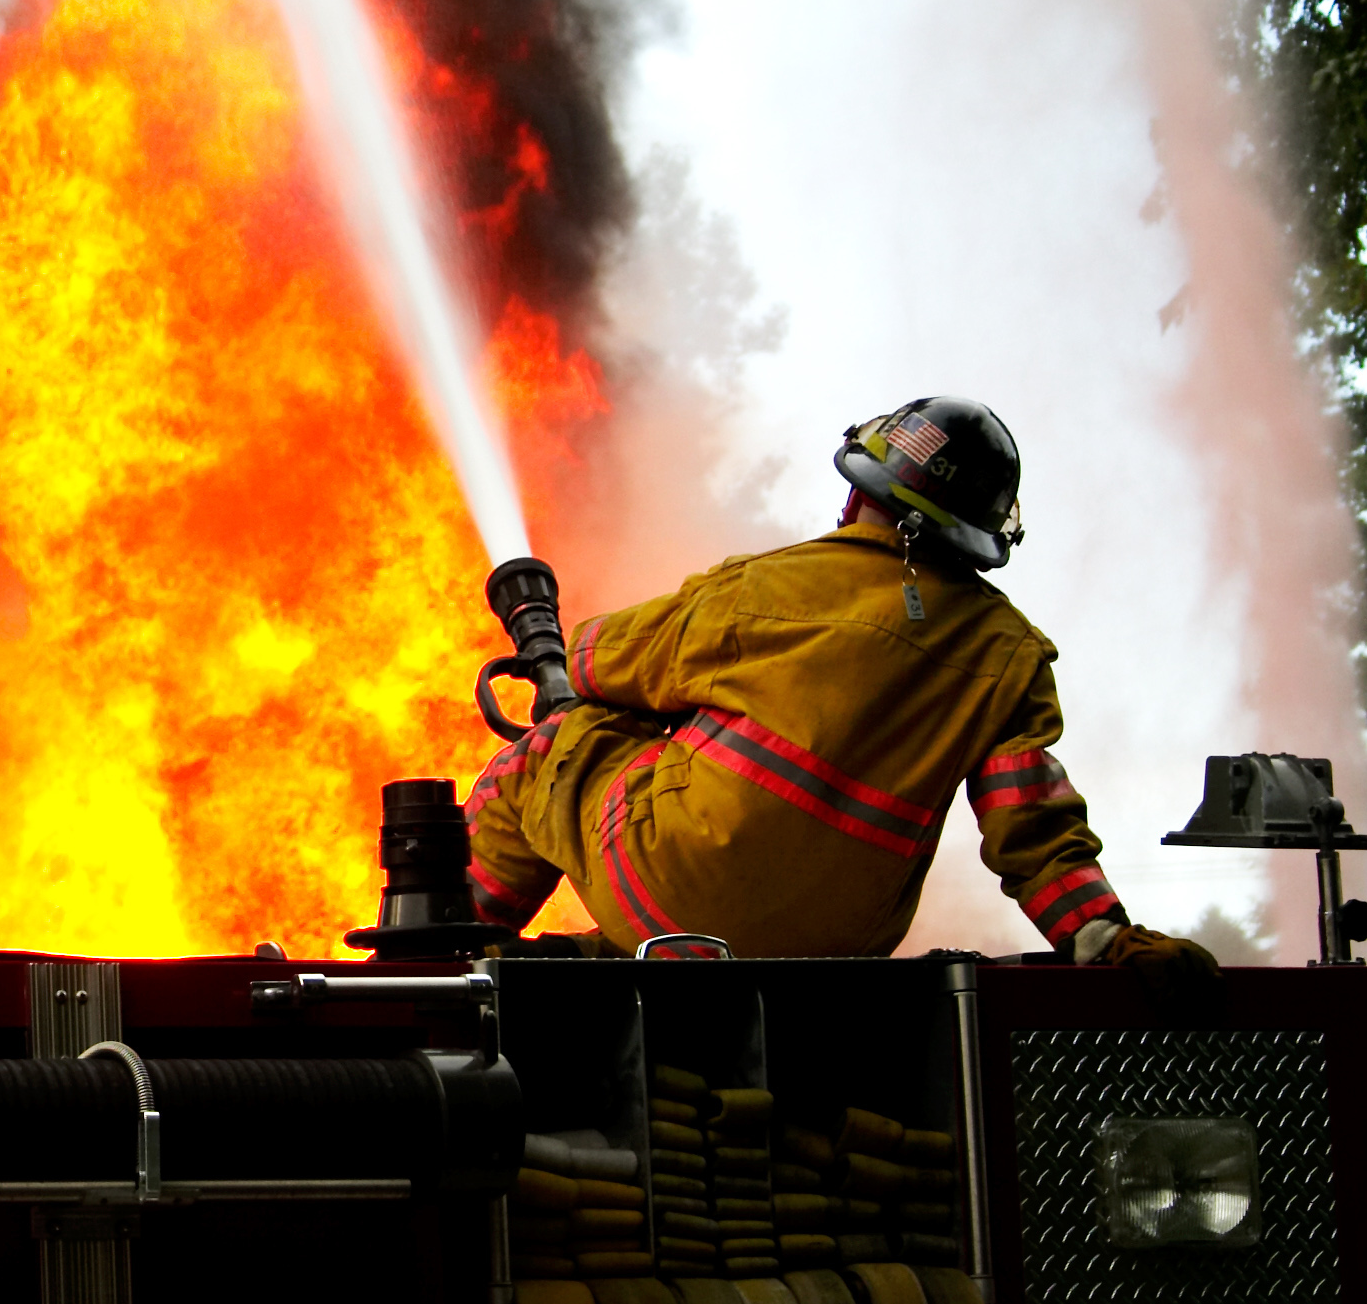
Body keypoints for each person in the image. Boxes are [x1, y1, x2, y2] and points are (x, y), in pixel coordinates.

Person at [463, 396, 1218, 1009]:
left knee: (551, 752)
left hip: (666, 894)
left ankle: (451, 952)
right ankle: (590, 958)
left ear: (860, 493)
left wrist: (581, 680)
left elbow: (596, 661)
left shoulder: (768, 587)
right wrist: (1104, 938)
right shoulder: (1009, 655)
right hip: (839, 952)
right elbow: (1035, 827)